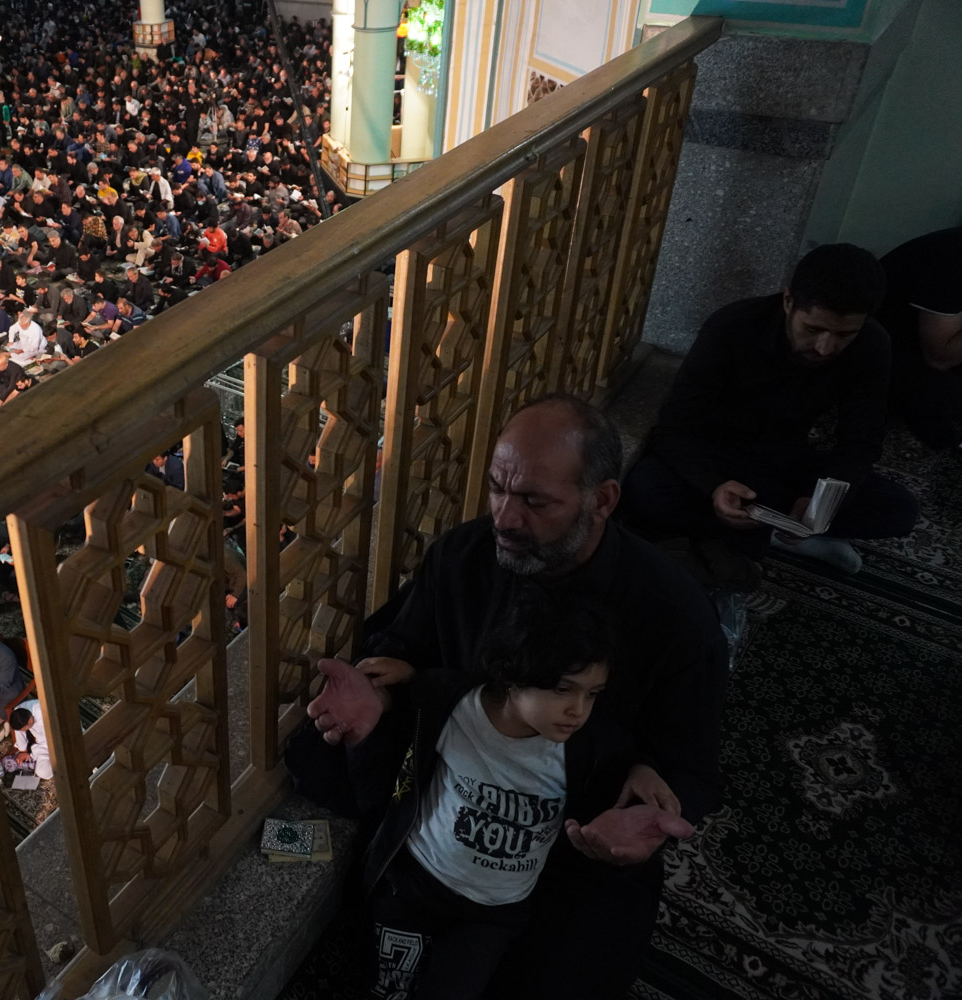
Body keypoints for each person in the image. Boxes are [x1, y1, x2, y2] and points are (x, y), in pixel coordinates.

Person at [305, 394, 725, 998]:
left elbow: (691, 763)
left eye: (534, 501)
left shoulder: (674, 615)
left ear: (602, 501)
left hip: (583, 831)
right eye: (498, 489)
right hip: (454, 802)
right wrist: (378, 697)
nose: (504, 518)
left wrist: (648, 799)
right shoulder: (466, 556)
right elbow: (405, 651)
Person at [347, 586, 631, 1000]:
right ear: (512, 676)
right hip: (416, 883)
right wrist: (403, 677)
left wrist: (644, 773)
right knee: (387, 986)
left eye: (592, 694)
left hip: (495, 912)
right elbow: (413, 697)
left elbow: (624, 767)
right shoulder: (454, 705)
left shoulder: (586, 747)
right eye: (562, 689)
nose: (578, 710)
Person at [621, 244, 920, 575]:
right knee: (644, 487)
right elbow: (674, 428)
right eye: (813, 329)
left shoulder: (871, 344)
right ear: (789, 300)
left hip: (785, 458)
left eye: (844, 334)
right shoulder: (732, 327)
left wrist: (818, 502)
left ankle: (766, 532)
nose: (825, 348)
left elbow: (860, 442)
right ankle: (776, 535)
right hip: (717, 452)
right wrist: (714, 486)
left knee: (898, 509)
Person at [875, 228, 962, 450]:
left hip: (933, 343)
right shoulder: (952, 257)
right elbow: (939, 357)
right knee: (940, 395)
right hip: (890, 344)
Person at [7, 699, 54, 779]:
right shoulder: (19, 712)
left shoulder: (44, 710)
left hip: (60, 740)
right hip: (43, 744)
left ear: (30, 721)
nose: (23, 731)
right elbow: (20, 733)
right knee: (42, 772)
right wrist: (24, 752)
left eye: (24, 729)